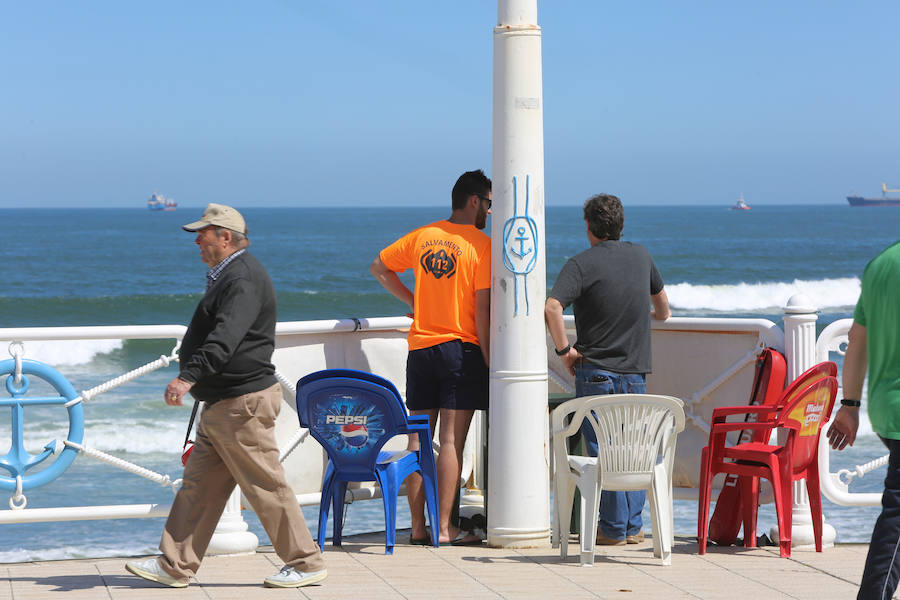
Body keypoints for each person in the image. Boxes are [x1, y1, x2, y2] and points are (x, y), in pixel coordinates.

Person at [125, 203, 326, 589]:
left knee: (266, 486)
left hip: (242, 404)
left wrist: (187, 378)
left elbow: (226, 337)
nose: (198, 240)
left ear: (226, 237)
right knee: (199, 488)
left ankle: (305, 562)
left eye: (204, 233)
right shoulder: (230, 275)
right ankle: (175, 565)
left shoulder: (242, 278)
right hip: (225, 405)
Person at [370, 169, 492, 546]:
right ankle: (443, 528)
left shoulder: (424, 236)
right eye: (488, 202)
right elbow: (483, 309)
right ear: (474, 201)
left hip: (421, 349)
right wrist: (489, 359)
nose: (490, 209)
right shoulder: (481, 246)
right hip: (461, 350)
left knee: (418, 442)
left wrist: (413, 301)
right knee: (451, 443)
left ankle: (418, 528)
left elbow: (379, 268)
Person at [544, 194, 670, 546]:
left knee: (604, 448)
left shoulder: (580, 264)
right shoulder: (642, 256)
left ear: (589, 228)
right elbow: (663, 311)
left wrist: (564, 350)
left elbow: (552, 308)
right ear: (620, 225)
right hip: (634, 373)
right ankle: (632, 526)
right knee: (633, 447)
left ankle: (613, 529)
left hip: (595, 371)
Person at [827, 240, 900, 599]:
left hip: (887, 407)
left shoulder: (881, 265)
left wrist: (851, 405)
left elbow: (857, 339)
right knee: (898, 519)